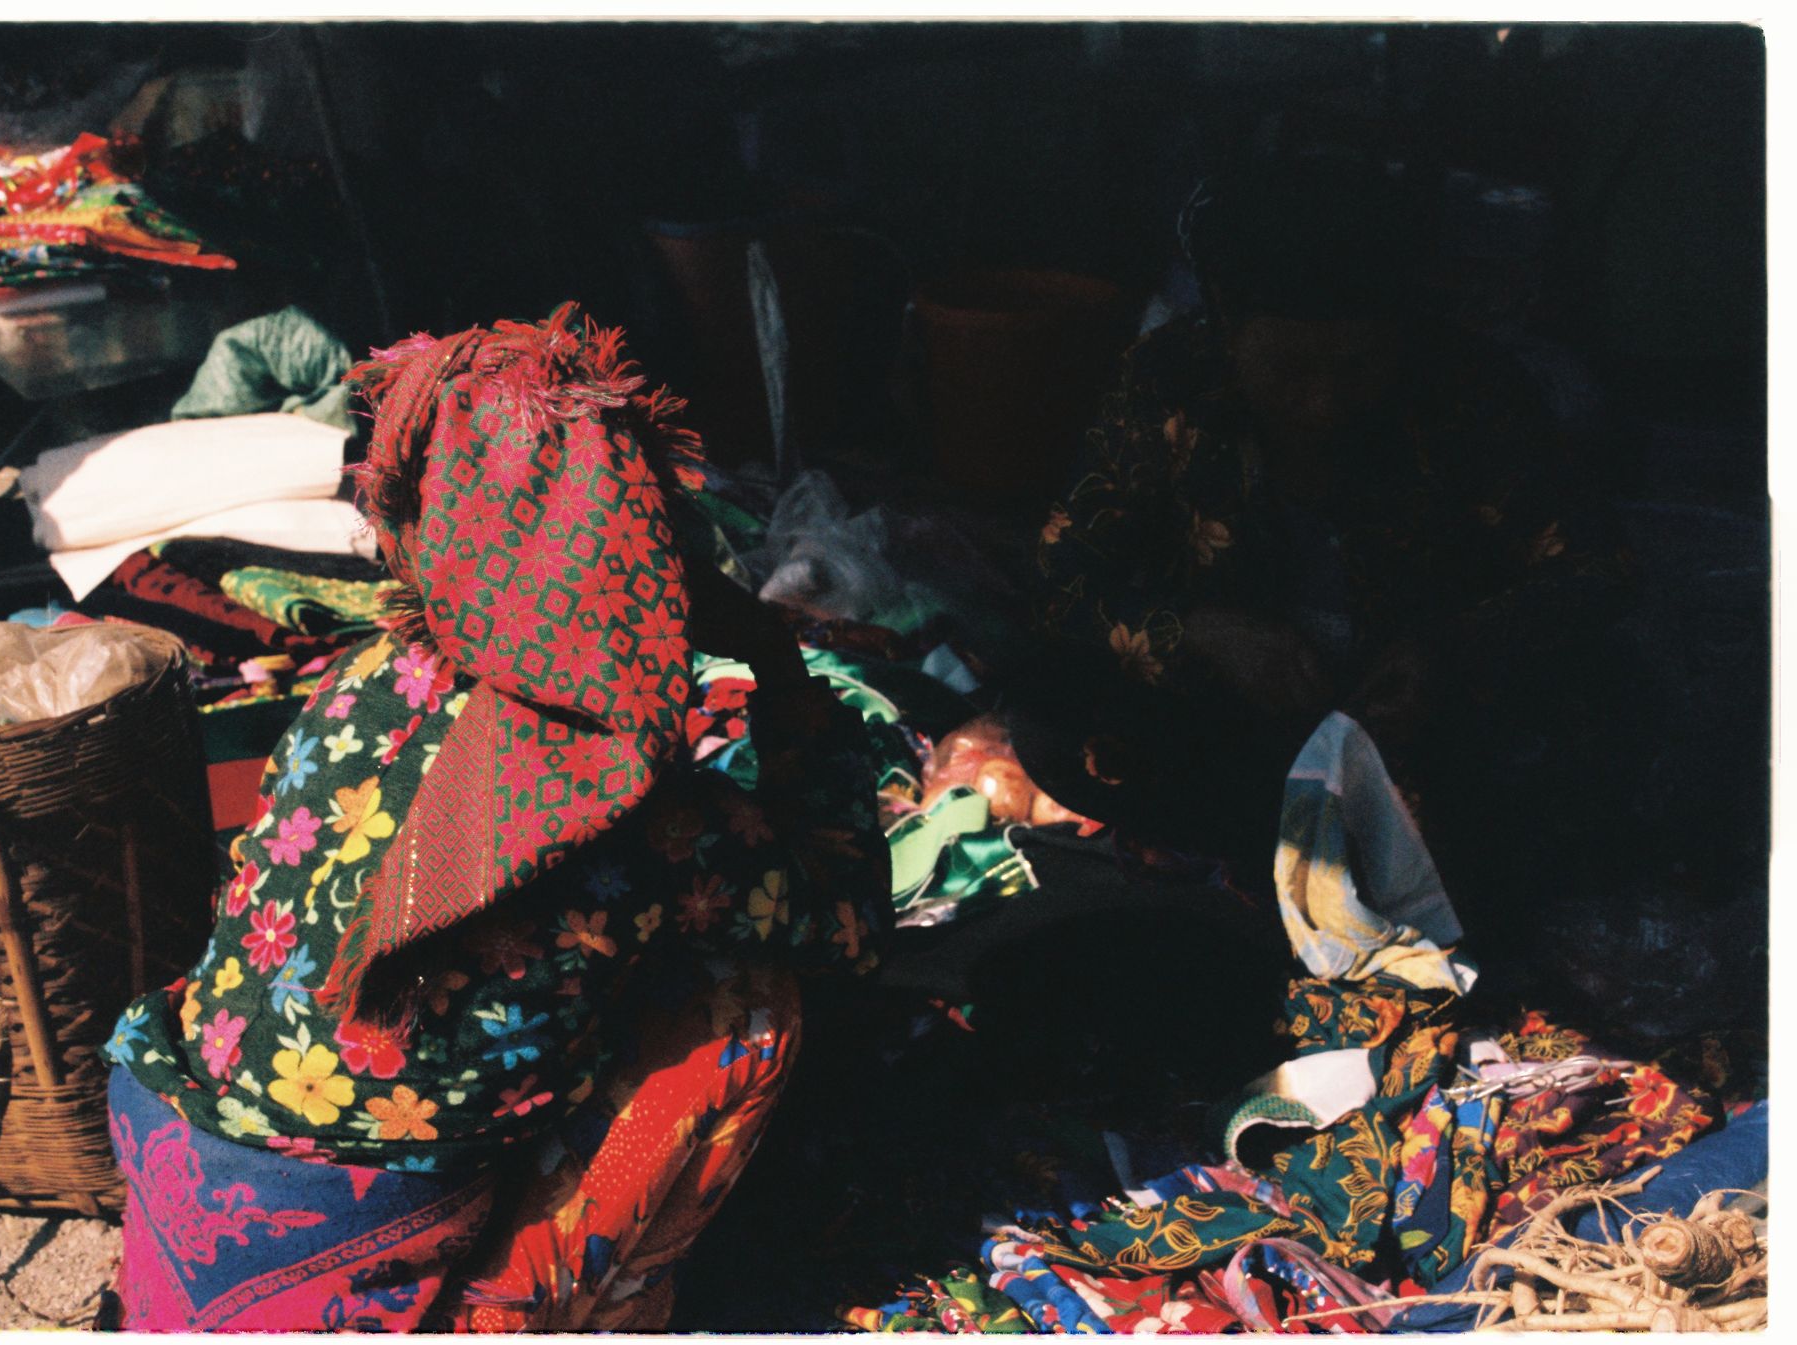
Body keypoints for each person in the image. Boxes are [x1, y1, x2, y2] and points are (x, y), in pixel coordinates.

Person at [100, 304, 890, 1332]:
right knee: (748, 1007)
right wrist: (778, 668)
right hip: (341, 1228)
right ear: (643, 552)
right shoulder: (645, 815)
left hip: (173, 1150)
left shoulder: (361, 681)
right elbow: (850, 926)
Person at [1016, 154, 1637, 956]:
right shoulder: (1168, 382)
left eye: (1358, 368)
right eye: (1290, 368)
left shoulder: (1473, 393)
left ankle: (1369, 857)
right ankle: (1274, 853)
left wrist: (1449, 651)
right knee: (1055, 715)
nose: (1323, 402)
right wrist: (1203, 632)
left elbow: (1597, 570)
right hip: (1229, 719)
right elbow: (1062, 579)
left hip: (1428, 726)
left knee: (1594, 722)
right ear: (1228, 328)